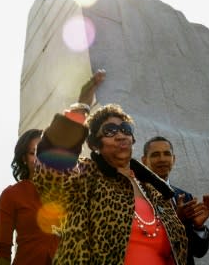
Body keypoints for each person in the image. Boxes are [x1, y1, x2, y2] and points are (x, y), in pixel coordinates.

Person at [33, 69, 188, 264]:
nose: (120, 135)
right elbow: (49, 169)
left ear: (132, 138)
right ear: (94, 144)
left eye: (125, 130)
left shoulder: (154, 190)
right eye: (110, 130)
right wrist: (80, 108)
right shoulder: (85, 176)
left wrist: (190, 226)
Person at [142, 136, 209, 265]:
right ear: (144, 160)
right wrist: (176, 220)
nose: (162, 159)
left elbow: (198, 252)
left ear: (173, 159)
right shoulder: (138, 196)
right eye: (155, 155)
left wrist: (199, 227)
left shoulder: (185, 197)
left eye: (167, 154)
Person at [0, 129, 60, 265]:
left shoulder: (70, 192)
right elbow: (3, 250)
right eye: (33, 153)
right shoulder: (11, 195)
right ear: (24, 159)